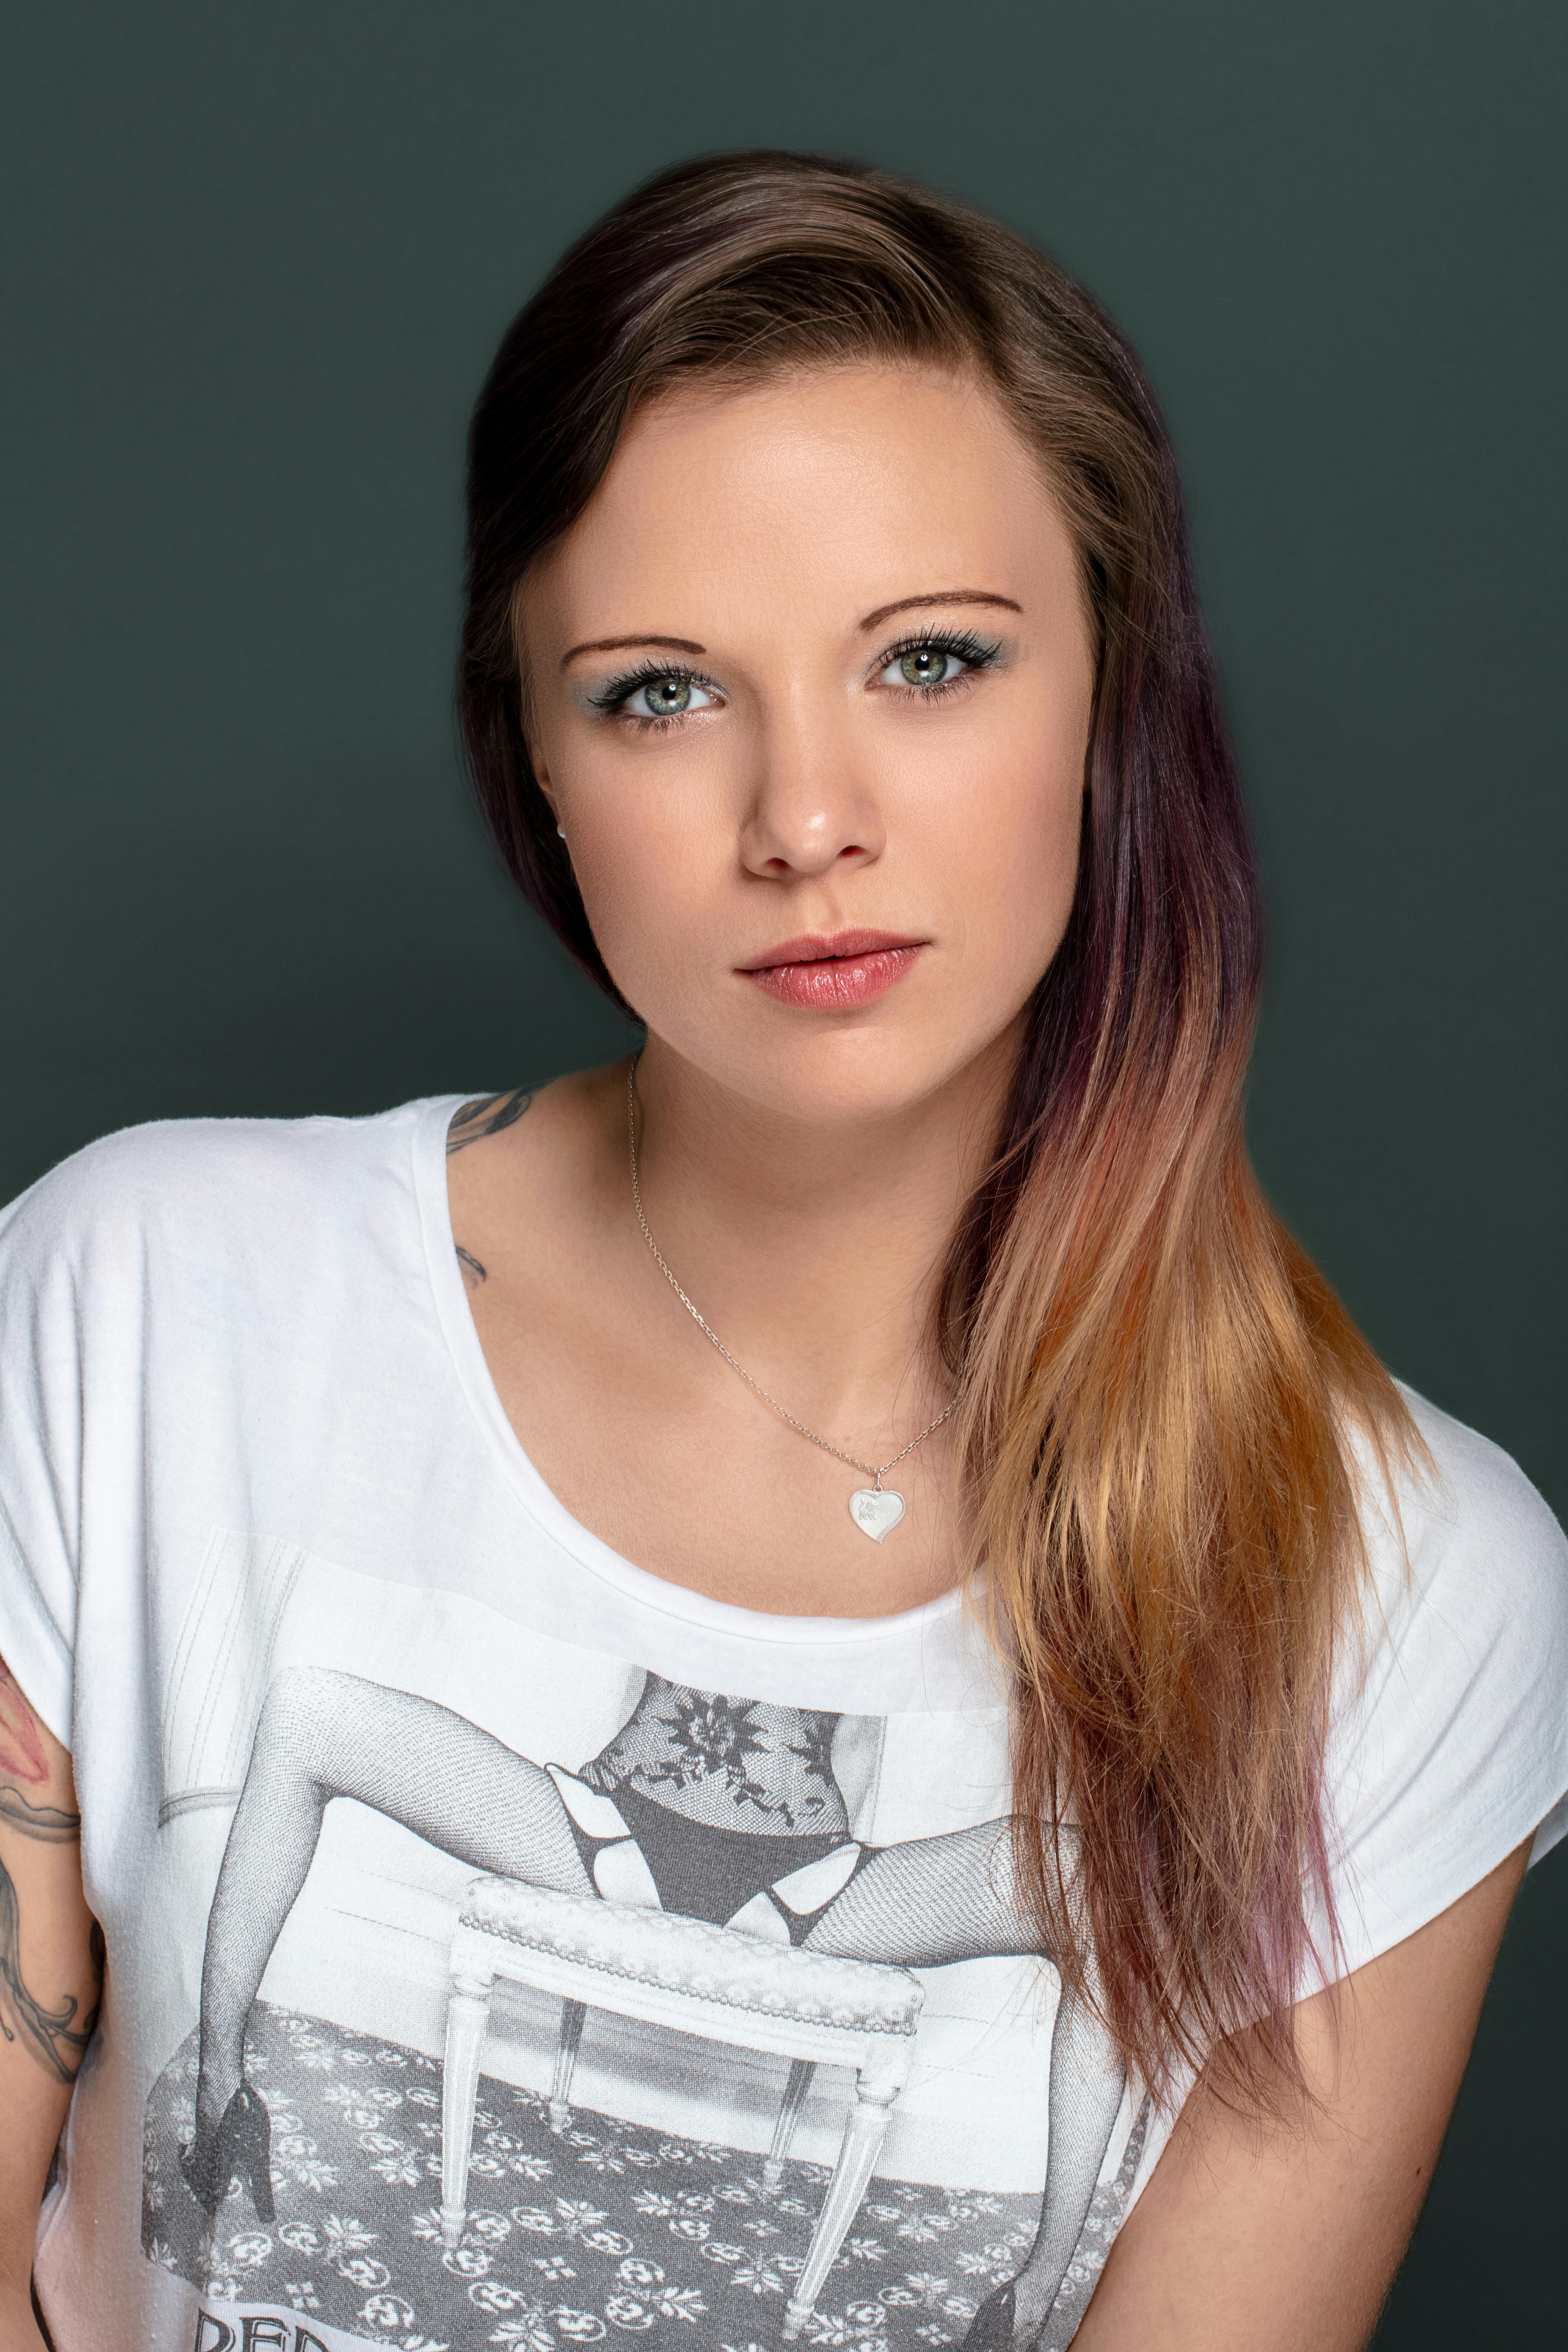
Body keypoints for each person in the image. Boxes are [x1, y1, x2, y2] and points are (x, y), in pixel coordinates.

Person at [0, 151, 1563, 2352]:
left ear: (1112, 705)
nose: (804, 818)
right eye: (660, 692)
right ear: (532, 759)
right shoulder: (140, 1305)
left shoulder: (1403, 1594)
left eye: (928, 661)